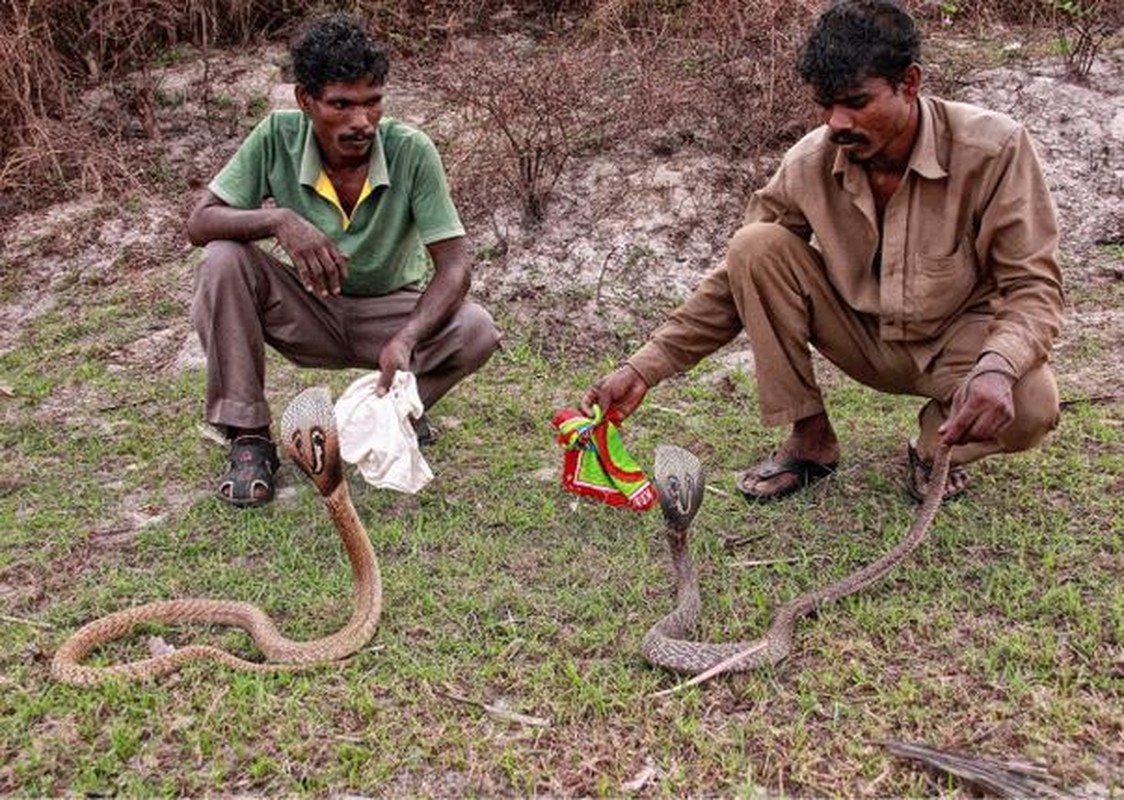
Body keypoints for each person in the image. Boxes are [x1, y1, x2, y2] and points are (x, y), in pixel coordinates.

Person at [584, 0, 1063, 503]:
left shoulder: (995, 150)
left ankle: (931, 450)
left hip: (958, 343)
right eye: (825, 104)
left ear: (910, 82)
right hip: (861, 334)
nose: (836, 122)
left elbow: (1033, 285)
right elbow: (736, 281)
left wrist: (995, 368)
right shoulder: (811, 160)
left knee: (1031, 405)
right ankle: (810, 441)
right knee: (756, 246)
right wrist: (643, 368)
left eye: (856, 101)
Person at [188, 14, 501, 507]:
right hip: (305, 310)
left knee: (477, 327)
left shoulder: (411, 150)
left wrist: (407, 337)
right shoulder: (276, 136)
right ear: (305, 101)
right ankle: (249, 437)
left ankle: (399, 415)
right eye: (341, 105)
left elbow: (456, 263)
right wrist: (280, 222)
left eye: (372, 102)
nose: (361, 122)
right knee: (223, 259)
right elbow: (200, 223)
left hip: (388, 315)